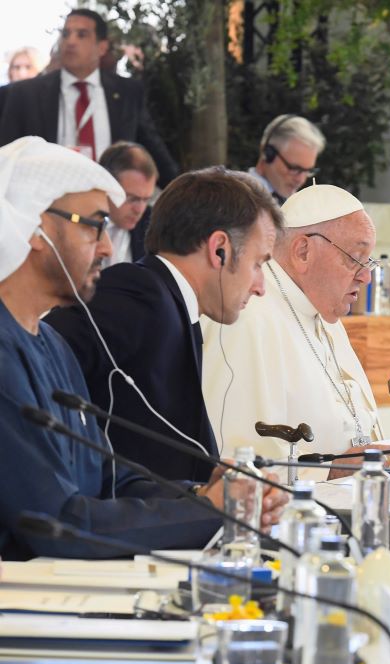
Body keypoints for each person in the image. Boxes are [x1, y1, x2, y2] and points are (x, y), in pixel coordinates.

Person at [0, 137, 285, 560]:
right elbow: (59, 523)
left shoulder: (52, 346)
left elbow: (108, 478)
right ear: (35, 228)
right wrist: (209, 512)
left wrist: (206, 496)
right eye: (93, 224)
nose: (108, 247)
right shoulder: (8, 351)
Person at [45, 167, 283, 482]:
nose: (260, 286)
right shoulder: (140, 291)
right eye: (257, 264)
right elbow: (39, 358)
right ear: (219, 250)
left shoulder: (170, 301)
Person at [202, 184, 383, 480]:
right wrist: (328, 473)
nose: (365, 276)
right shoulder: (248, 317)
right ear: (302, 251)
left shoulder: (322, 311)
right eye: (355, 258)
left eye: (369, 261)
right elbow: (234, 460)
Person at [0, 9, 178, 185]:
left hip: (109, 201)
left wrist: (182, 193)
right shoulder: (26, 94)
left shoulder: (127, 92)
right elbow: (7, 155)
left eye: (81, 35)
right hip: (45, 202)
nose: (70, 41)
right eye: (66, 34)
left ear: (102, 47)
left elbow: (153, 149)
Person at [97, 141, 157, 265]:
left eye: (146, 199)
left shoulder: (154, 226)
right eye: (132, 198)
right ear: (106, 186)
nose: (139, 209)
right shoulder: (81, 222)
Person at [249, 114, 324, 204]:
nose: (301, 180)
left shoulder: (297, 205)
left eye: (308, 171)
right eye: (295, 169)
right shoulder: (237, 199)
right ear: (268, 153)